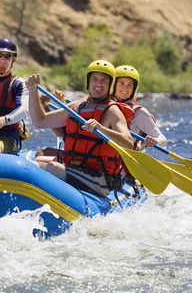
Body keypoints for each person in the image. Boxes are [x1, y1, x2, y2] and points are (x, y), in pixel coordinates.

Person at [26, 60, 134, 197]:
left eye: (104, 81)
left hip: (100, 178)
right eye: (94, 79)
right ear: (88, 82)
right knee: (32, 166)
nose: (99, 84)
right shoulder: (76, 107)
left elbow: (129, 143)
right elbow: (39, 121)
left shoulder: (112, 110)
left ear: (110, 86)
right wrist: (33, 92)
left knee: (53, 167)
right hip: (74, 167)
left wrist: (101, 129)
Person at [112, 65, 167, 151]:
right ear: (114, 85)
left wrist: (155, 141)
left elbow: (163, 140)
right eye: (121, 83)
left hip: (123, 161)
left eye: (129, 85)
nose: (125, 88)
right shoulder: (103, 106)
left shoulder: (139, 112)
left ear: (134, 89)